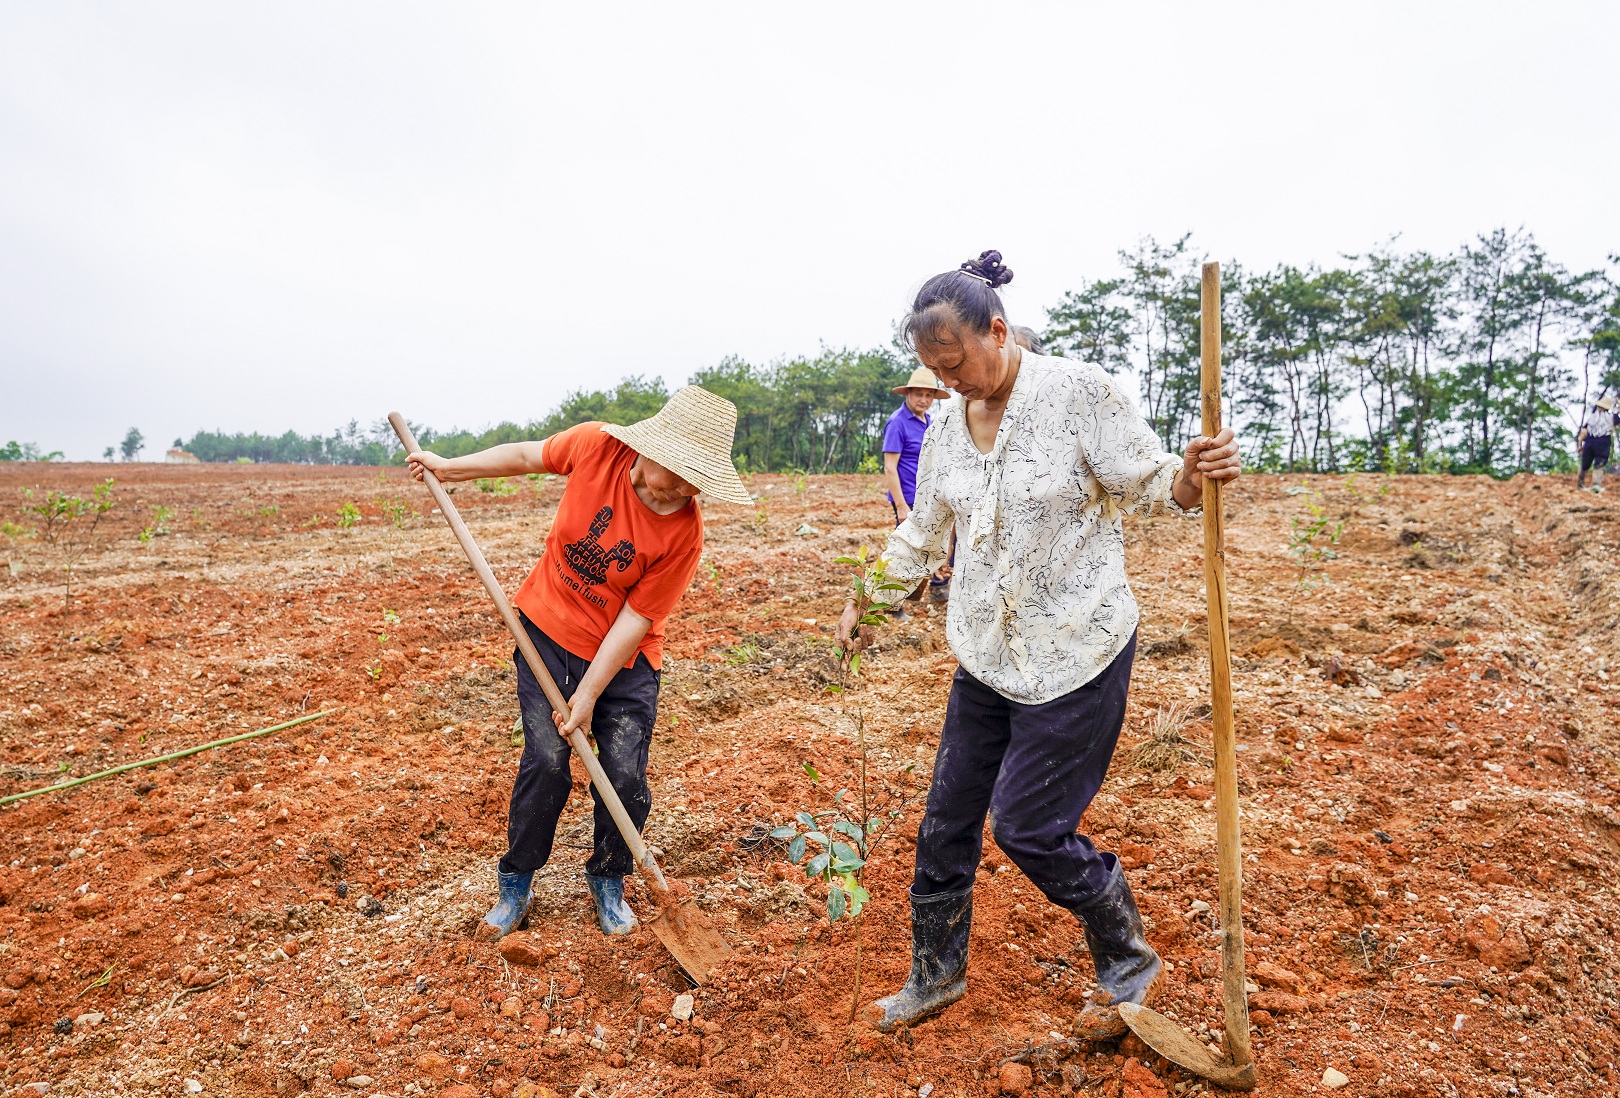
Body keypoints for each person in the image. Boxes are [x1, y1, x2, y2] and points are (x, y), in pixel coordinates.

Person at [842, 250, 1241, 1038]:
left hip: (1076, 653)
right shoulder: (949, 427)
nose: (949, 383)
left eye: (957, 365)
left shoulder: (1080, 395)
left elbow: (1158, 485)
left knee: (1025, 826)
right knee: (944, 823)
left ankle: (1125, 953)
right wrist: (868, 600)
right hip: (987, 653)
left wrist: (1200, 471)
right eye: (933, 371)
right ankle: (935, 973)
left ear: (997, 330)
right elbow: (926, 533)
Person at [406, 386, 753, 939]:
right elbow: (525, 456)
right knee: (546, 760)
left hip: (624, 657)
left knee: (624, 775)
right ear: (651, 451)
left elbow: (635, 620)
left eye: (698, 482)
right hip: (546, 629)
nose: (685, 490)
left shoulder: (685, 532)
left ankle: (609, 877)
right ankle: (517, 877)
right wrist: (450, 469)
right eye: (678, 474)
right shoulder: (597, 447)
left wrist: (589, 693)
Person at [882, 368, 952, 616]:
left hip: (927, 497)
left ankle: (928, 590)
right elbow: (891, 468)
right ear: (908, 394)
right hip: (908, 497)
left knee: (932, 544)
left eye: (928, 395)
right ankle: (893, 603)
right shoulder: (897, 423)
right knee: (904, 550)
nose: (923, 400)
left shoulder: (929, 422)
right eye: (918, 394)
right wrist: (901, 506)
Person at [1577, 394, 1615, 492]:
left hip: (1589, 442)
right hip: (1603, 443)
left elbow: (1583, 432)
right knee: (1599, 464)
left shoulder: (1591, 418)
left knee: (1585, 464)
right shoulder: (1611, 417)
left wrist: (1580, 445)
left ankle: (1580, 484)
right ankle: (1596, 485)